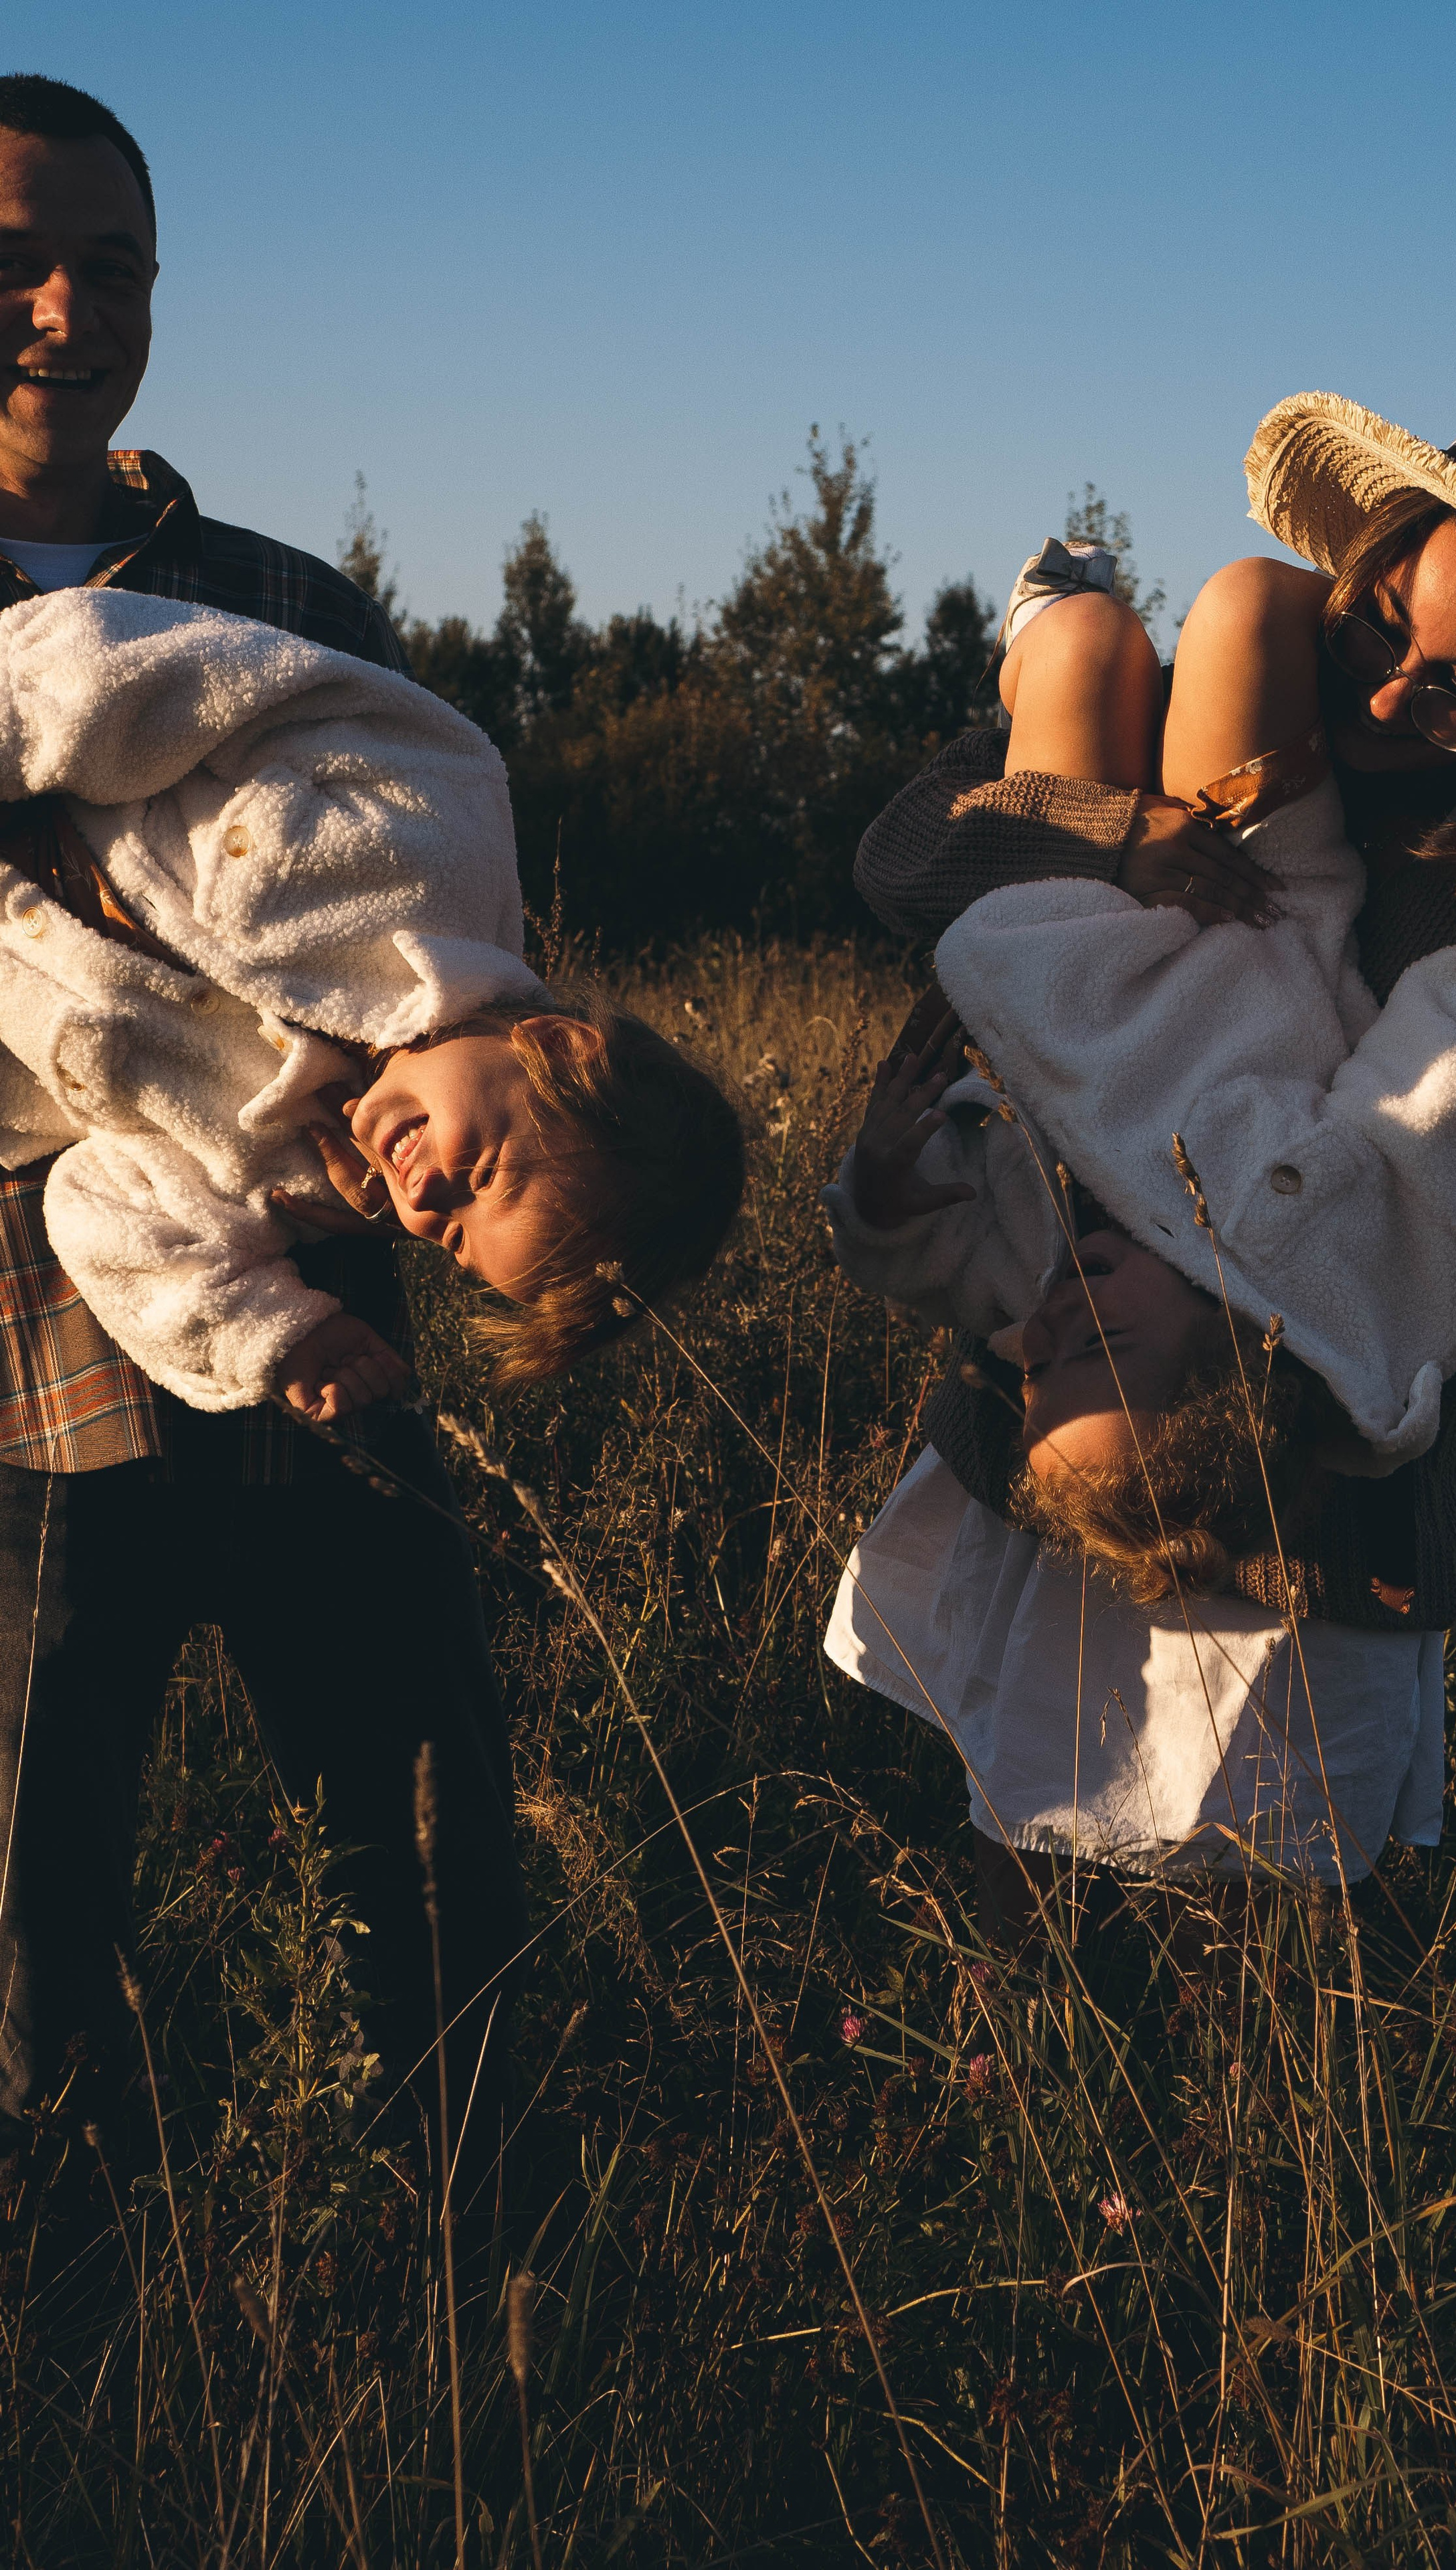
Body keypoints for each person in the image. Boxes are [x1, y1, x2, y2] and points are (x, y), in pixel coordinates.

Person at [829, 394, 1456, 1930]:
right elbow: (905, 866)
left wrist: (1276, 1371)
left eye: (1455, 688)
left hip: (1292, 1492)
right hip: (1057, 1424)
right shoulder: (1186, 722)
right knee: (1019, 1805)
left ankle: (1234, 2146)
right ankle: (1028, 2087)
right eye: (1373, 622)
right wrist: (1112, 832)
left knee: (1275, 1896)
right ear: (1359, 562)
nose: (1386, 698)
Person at [0, 76, 498, 2199]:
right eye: (18, 254)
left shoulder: (275, 603)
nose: (61, 307)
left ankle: (477, 2245)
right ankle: (83, 2297)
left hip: (314, 1317)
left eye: (111, 264)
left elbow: (418, 937)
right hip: (18, 1363)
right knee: (33, 1881)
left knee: (391, 1825)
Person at [0, 587, 743, 1422]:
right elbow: (194, 676)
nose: (423, 1201)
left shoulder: (296, 1177)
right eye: (481, 1176)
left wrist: (269, 1334)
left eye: (456, 1242)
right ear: (559, 1048)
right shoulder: (438, 839)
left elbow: (102, 1208)